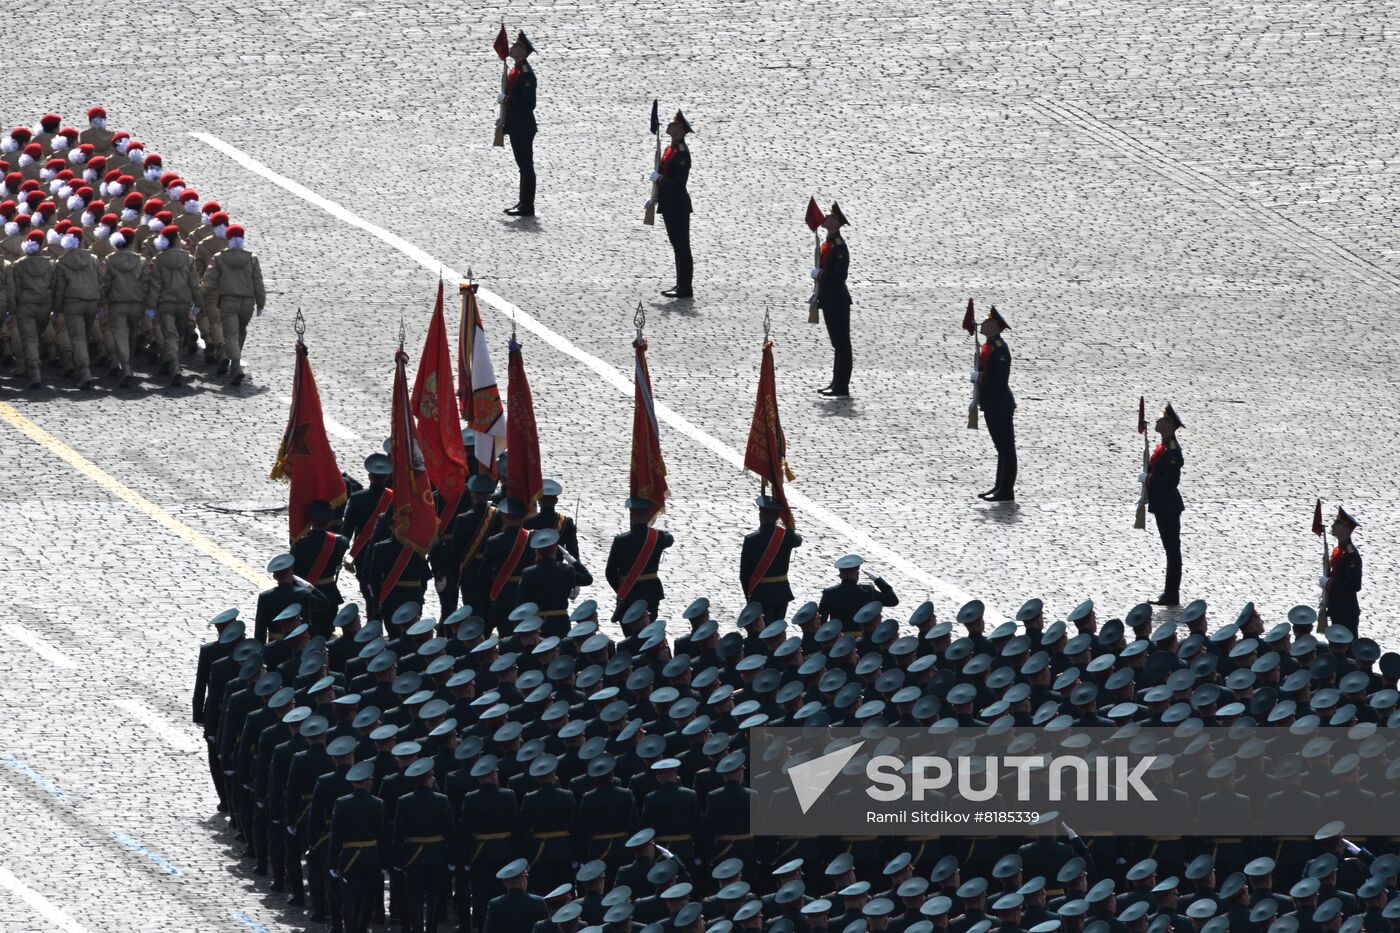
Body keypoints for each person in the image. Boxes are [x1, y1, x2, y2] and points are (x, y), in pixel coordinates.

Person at [202, 222, 265, 385]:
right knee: (241, 331)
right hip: (248, 303)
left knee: (230, 334)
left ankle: (235, 365)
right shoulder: (252, 258)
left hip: (228, 302)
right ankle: (235, 359)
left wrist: (204, 296)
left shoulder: (219, 258)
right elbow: (258, 282)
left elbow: (209, 280)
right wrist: (261, 303)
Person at [329, 761, 387, 933]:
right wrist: (384, 862)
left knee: (349, 899)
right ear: (368, 781)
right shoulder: (378, 803)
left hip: (349, 857)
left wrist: (332, 863)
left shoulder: (341, 803)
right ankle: (361, 928)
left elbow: (336, 835)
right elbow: (382, 835)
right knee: (368, 899)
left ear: (353, 782)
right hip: (371, 857)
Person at [143, 222, 201, 386]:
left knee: (170, 335)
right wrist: (199, 303)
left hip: (165, 303)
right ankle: (169, 363)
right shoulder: (188, 258)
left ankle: (172, 365)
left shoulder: (158, 260)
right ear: (176, 239)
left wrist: (151, 306)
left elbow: (155, 286)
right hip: (183, 302)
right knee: (179, 336)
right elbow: (194, 283)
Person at [604, 497, 674, 622]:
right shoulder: (658, 537)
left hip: (628, 594)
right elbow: (670, 538)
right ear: (648, 515)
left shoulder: (620, 541)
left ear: (631, 514)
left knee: (630, 632)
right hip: (651, 593)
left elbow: (610, 572)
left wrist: (621, 589)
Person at [50, 224, 102, 389]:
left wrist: (57, 309)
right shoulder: (93, 258)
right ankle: (82, 365)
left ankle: (85, 372)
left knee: (78, 338)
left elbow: (60, 289)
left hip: (72, 303)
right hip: (92, 301)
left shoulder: (62, 262)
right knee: (84, 336)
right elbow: (100, 281)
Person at [738, 495, 802, 623]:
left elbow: (744, 575)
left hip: (760, 594)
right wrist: (789, 524)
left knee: (765, 630)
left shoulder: (751, 540)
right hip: (782, 592)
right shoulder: (786, 536)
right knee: (778, 627)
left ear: (760, 514)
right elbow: (798, 540)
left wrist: (749, 597)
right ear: (778, 516)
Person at [1145, 403, 1185, 606]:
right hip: (1163, 504)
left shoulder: (1172, 449)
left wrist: (1149, 480)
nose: (1157, 421)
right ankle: (1170, 592)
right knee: (1170, 548)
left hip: (1168, 505)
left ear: (1169, 425)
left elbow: (1170, 481)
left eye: (1161, 419)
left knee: (1172, 549)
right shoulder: (1163, 446)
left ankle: (1171, 593)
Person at [976, 306, 1016, 501]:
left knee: (1006, 447)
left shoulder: (999, 348)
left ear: (994, 327)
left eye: (986, 322)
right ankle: (999, 485)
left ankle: (1007, 490)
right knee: (1000, 447)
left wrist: (980, 376)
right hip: (991, 403)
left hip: (999, 403)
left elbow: (998, 378)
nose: (982, 324)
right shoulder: (989, 345)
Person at [652, 111, 693, 299]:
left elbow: (678, 182)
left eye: (673, 124)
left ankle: (685, 287)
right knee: (677, 246)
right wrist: (655, 196)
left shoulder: (682, 153)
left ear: (680, 130)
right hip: (669, 204)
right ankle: (680, 284)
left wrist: (660, 179)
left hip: (678, 205)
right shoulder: (671, 149)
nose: (668, 125)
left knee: (682, 246)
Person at [813, 203, 852, 397]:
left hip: (837, 300)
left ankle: (842, 386)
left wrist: (820, 275)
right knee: (837, 344)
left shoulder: (839, 247)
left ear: (836, 222)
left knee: (842, 344)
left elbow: (839, 277)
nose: (825, 218)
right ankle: (836, 383)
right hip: (829, 300)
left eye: (829, 216)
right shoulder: (828, 242)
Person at [102, 224, 145, 385]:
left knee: (120, 336)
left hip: (117, 303)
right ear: (132, 241)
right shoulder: (141, 261)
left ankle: (125, 366)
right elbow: (146, 282)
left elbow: (106, 283)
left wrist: (104, 299)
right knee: (132, 335)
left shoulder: (110, 260)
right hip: (137, 303)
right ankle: (129, 363)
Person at [501, 32, 538, 217]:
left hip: (523, 126)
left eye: (515, 45)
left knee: (526, 166)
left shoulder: (525, 74)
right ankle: (523, 202)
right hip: (517, 125)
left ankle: (527, 205)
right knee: (523, 166)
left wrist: (507, 99)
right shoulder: (516, 69)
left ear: (522, 52)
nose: (512, 47)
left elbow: (529, 103)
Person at [11, 228, 54, 388]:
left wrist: (14, 306)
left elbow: (17, 287)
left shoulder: (19, 264)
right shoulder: (50, 263)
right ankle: (34, 363)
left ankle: (34, 371)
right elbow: (53, 285)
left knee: (30, 339)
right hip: (45, 305)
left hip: (26, 305)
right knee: (36, 336)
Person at [1323, 507, 1363, 634]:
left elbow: (1354, 585)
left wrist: (1330, 583)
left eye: (1337, 523)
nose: (1332, 526)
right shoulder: (1339, 550)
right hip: (1337, 607)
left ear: (1346, 529)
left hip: (1346, 610)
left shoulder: (1351, 555)